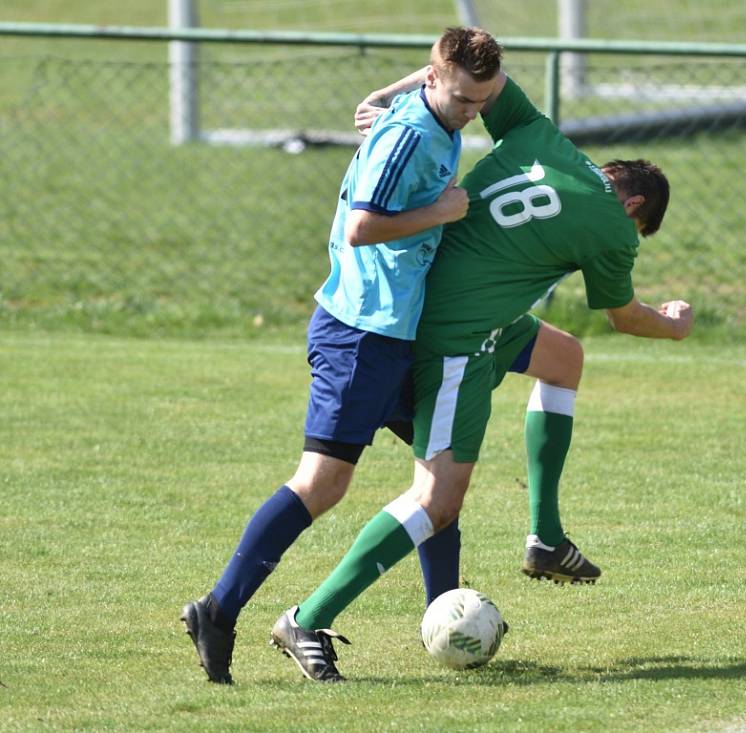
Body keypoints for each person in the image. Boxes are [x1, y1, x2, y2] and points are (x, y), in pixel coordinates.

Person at [269, 71, 693, 682]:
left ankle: (545, 537)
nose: (631, 239)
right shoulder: (611, 229)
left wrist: (391, 98)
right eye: (638, 231)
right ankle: (307, 618)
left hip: (457, 304)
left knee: (563, 357)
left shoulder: (541, 137)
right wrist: (674, 324)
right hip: (456, 337)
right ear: (632, 207)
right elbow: (625, 317)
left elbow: (474, 62)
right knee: (436, 499)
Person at [180, 27, 504, 685]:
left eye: (483, 100)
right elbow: (362, 225)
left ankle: (445, 619)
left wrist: (384, 93)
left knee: (441, 481)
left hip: (395, 333)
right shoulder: (409, 135)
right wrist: (443, 209)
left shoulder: (432, 105)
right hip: (361, 335)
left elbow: (417, 92)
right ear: (439, 77)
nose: (473, 112)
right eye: (465, 99)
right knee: (323, 483)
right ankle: (219, 608)